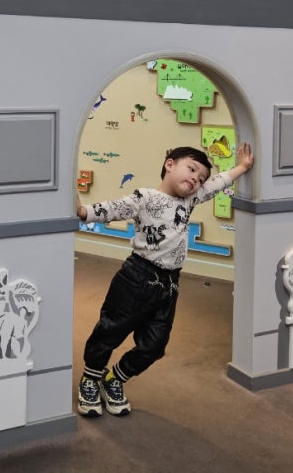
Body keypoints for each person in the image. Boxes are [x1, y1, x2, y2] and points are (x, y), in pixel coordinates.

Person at [76, 142, 254, 417]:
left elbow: (218, 183)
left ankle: (114, 379)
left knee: (155, 345)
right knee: (110, 330)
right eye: (191, 169)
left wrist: (242, 167)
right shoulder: (145, 197)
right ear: (170, 164)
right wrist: (83, 212)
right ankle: (90, 377)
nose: (196, 179)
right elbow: (114, 208)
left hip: (169, 284)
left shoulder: (190, 200)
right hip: (136, 277)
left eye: (200, 178)